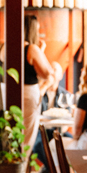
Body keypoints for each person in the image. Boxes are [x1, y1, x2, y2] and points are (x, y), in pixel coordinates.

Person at [23, 15, 54, 154]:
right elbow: (48, 72)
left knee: (16, 136)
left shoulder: (11, 46)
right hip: (28, 96)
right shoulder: (31, 48)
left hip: (13, 93)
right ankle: (20, 172)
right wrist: (41, 51)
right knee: (26, 139)